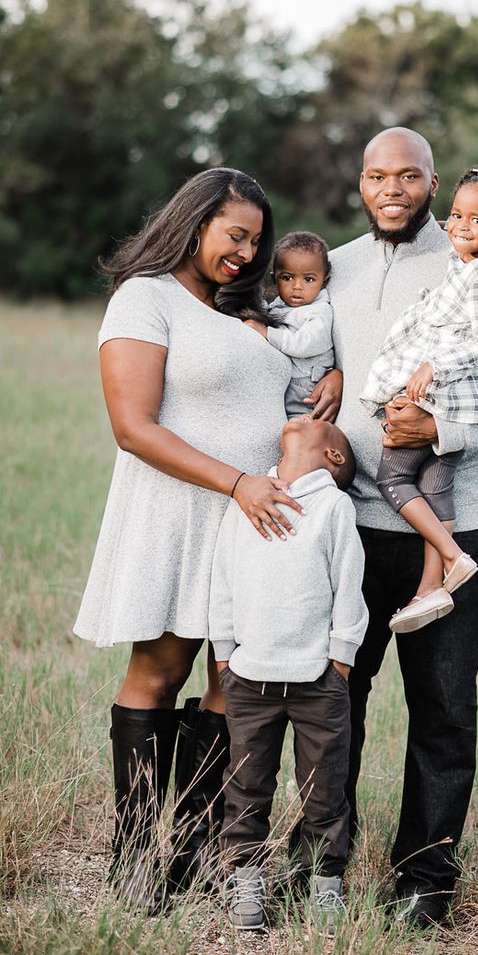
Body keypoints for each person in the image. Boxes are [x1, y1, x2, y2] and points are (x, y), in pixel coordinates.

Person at [73, 168, 341, 910]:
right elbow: (133, 427)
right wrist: (235, 483)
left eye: (257, 241)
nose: (248, 253)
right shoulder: (146, 297)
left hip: (253, 529)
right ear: (194, 222)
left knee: (235, 686)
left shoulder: (242, 310)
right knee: (160, 672)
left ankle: (193, 854)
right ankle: (132, 859)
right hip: (179, 514)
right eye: (236, 235)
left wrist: (336, 377)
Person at [328, 128, 478, 929]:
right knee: (334, 699)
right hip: (348, 522)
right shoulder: (338, 267)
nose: (395, 189)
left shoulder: (476, 264)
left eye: (411, 176)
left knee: (445, 706)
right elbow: (308, 367)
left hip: (458, 524)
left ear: (431, 185)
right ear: (362, 183)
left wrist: (445, 435)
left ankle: (425, 879)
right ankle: (322, 858)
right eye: (379, 176)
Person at [209, 417, 368, 933]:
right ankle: (245, 876)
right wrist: (224, 652)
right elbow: (224, 576)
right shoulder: (249, 497)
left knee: (324, 787)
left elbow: (349, 585)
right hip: (249, 676)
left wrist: (340, 660)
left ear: (334, 458)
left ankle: (325, 883)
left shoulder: (333, 507)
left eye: (320, 424)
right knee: (246, 784)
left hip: (317, 680)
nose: (305, 415)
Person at [361, 169, 478, 634]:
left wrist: (434, 365)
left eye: (475, 220)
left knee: (392, 478)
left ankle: (452, 556)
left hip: (448, 403)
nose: (458, 226)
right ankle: (432, 584)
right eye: (456, 215)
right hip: (459, 404)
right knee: (435, 487)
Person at [244, 231, 334, 418]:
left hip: (306, 392)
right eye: (287, 278)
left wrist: (267, 332)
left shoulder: (319, 312)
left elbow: (304, 344)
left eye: (308, 279)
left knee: (298, 426)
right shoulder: (277, 306)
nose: (297, 286)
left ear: (324, 281)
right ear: (275, 278)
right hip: (283, 388)